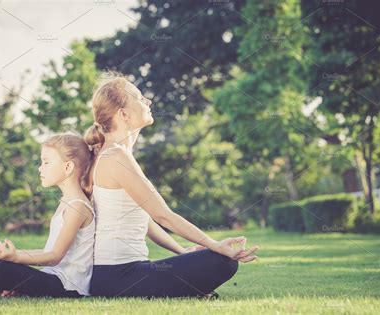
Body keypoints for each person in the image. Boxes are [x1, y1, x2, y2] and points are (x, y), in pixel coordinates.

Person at [84, 72, 259, 298]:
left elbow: (146, 222)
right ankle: (189, 290)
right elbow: (163, 215)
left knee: (211, 260)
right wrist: (214, 244)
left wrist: (182, 251)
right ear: (124, 114)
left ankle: (188, 289)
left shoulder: (114, 153)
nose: (148, 102)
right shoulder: (116, 156)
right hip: (118, 277)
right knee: (222, 262)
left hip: (118, 275)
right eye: (139, 98)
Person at [0, 134, 95, 298]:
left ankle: (1, 289)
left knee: (2, 271)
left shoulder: (77, 207)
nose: (40, 168)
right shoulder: (66, 202)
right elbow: (48, 251)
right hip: (52, 277)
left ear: (68, 167)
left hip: (68, 286)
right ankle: (13, 289)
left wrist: (15, 257)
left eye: (46, 162)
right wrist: (5, 255)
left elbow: (55, 257)